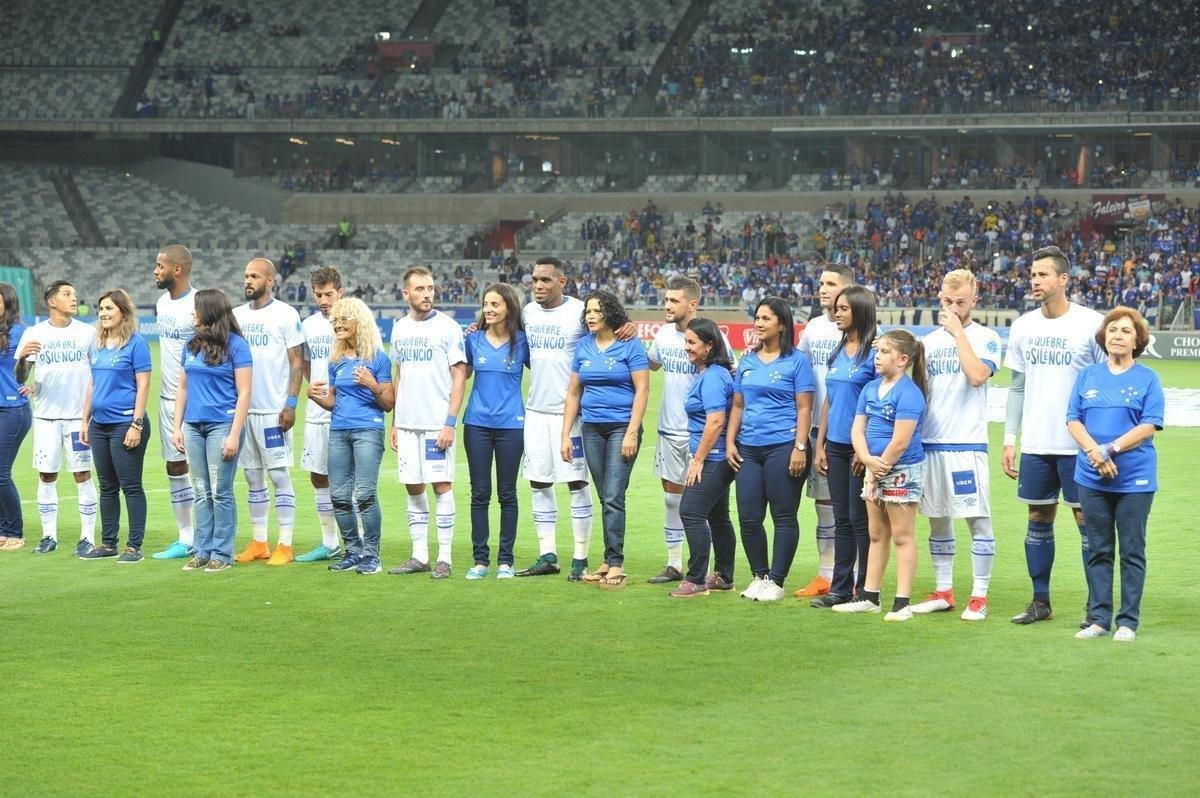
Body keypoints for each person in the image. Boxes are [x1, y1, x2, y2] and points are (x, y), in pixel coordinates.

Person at [1003, 245, 1105, 625]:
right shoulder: (1023, 325)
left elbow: (1104, 382)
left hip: (1080, 446)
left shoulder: (1091, 324)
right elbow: (1016, 387)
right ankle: (1040, 602)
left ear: (1063, 279)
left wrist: (1098, 443)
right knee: (1038, 516)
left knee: (1086, 522)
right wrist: (1010, 439)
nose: (1035, 280)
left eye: (1043, 274)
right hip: (1036, 444)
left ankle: (1096, 608)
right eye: (1032, 275)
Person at [1067, 306, 1162, 642]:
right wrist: (1095, 452)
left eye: (1125, 331)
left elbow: (1149, 425)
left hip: (1134, 479)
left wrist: (1110, 449)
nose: (1117, 336)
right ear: (1103, 337)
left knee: (1132, 550)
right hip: (1091, 476)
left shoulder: (1148, 377)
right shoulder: (1088, 375)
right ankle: (1098, 619)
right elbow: (1073, 419)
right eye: (1112, 330)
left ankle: (1128, 622)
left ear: (1137, 339)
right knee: (1098, 548)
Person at [913, 269, 1002, 620]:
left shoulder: (986, 337)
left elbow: (978, 376)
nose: (953, 307)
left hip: (967, 445)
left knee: (978, 520)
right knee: (937, 519)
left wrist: (958, 334)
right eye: (947, 302)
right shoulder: (928, 343)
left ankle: (979, 595)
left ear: (974, 301)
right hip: (931, 443)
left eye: (960, 302)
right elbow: (921, 392)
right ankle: (944, 590)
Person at [645, 276, 734, 584]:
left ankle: (706, 573)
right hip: (669, 429)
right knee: (672, 499)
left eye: (674, 300)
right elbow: (650, 365)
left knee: (703, 507)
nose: (667, 305)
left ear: (692, 303)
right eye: (666, 299)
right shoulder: (664, 335)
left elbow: (728, 374)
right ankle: (674, 563)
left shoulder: (713, 337)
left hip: (705, 436)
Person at [835, 330, 928, 621]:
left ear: (902, 360)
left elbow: (901, 440)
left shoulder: (909, 393)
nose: (878, 356)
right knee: (876, 534)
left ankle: (902, 603)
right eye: (879, 351)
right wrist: (865, 460)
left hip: (901, 470)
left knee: (902, 535)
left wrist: (879, 467)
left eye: (886, 352)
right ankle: (869, 596)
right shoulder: (870, 389)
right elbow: (857, 429)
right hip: (874, 469)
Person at [726, 297, 814, 602]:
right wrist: (729, 441)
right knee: (749, 517)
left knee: (783, 516)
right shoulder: (747, 360)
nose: (759, 323)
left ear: (782, 324)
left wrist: (800, 447)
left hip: (783, 446)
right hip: (748, 448)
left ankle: (777, 581)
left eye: (766, 318)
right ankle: (759, 576)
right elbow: (738, 405)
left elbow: (805, 408)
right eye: (757, 318)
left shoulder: (797, 361)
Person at [560, 290, 648, 587]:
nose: (591, 315)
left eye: (597, 310)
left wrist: (632, 431)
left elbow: (643, 390)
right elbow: (574, 393)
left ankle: (616, 562)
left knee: (612, 495)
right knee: (605, 497)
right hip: (591, 429)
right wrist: (565, 435)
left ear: (610, 312)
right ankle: (609, 558)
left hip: (622, 428)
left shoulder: (630, 344)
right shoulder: (584, 346)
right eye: (588, 311)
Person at [387, 267, 467, 579]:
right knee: (413, 486)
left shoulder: (448, 327)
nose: (427, 294)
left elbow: (459, 374)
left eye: (430, 288)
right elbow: (399, 373)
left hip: (437, 424)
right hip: (407, 424)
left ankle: (444, 557)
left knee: (442, 486)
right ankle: (419, 555)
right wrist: (395, 421)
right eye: (419, 289)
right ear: (406, 293)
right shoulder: (399, 328)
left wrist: (450, 422)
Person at [307, 298, 394, 575]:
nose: (338, 324)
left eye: (344, 319)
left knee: (365, 493)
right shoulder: (335, 361)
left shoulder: (378, 359)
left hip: (368, 429)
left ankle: (372, 555)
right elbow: (334, 401)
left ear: (360, 322)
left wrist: (372, 384)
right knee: (339, 495)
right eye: (335, 321)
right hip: (339, 430)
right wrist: (315, 397)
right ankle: (353, 551)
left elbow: (389, 402)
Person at [172, 289, 252, 572]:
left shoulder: (237, 346)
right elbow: (182, 388)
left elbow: (244, 393)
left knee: (220, 491)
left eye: (196, 309)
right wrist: (176, 427)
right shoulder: (191, 345)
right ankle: (202, 550)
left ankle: (222, 553)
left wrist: (234, 434)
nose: (192, 314)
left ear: (209, 312)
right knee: (201, 491)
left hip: (222, 425)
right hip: (193, 426)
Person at [16, 281, 97, 556]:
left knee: (82, 474)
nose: (74, 298)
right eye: (67, 294)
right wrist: (22, 360)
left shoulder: (88, 333)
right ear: (51, 301)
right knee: (47, 475)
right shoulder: (34, 333)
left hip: (78, 418)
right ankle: (48, 535)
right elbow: (20, 376)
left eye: (74, 293)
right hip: (46, 417)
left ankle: (87, 536)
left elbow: (97, 375)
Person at [232, 258, 304, 566]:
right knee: (251, 477)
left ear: (271, 280)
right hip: (243, 411)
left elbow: (297, 363)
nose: (248, 281)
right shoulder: (235, 316)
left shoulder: (286, 314)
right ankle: (260, 541)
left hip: (273, 411)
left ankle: (285, 544)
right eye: (246, 276)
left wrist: (291, 403)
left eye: (255, 276)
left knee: (278, 475)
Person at [811, 285, 877, 608]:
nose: (837, 313)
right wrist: (819, 444)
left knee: (859, 519)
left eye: (844, 309)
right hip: (834, 447)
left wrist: (864, 451)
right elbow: (829, 402)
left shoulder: (874, 355)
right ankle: (840, 588)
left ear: (860, 311)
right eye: (836, 308)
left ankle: (865, 589)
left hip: (857, 449)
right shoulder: (837, 353)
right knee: (841, 519)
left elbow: (878, 405)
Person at [794, 263, 854, 598]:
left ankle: (854, 576)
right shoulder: (814, 328)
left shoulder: (857, 329)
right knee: (823, 507)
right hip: (815, 429)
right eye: (821, 283)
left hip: (846, 434)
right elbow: (800, 373)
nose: (823, 289)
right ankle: (825, 574)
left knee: (850, 512)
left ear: (847, 288)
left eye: (830, 284)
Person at [78, 289, 152, 562]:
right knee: (107, 486)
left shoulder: (136, 344)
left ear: (123, 311)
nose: (103, 314)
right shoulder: (96, 344)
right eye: (100, 309)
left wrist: (136, 424)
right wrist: (85, 420)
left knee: (130, 486)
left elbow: (143, 385)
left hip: (125, 424)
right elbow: (92, 384)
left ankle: (134, 546)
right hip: (99, 425)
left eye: (109, 308)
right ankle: (108, 544)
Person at [463, 283, 528, 579]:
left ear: (509, 309)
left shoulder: (524, 342)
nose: (488, 309)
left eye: (495, 305)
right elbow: (457, 378)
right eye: (486, 304)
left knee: (507, 494)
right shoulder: (473, 340)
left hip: (511, 426)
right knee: (479, 493)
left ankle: (506, 560)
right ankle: (480, 560)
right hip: (476, 424)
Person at [670, 318, 737, 597]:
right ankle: (723, 576)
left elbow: (715, 422)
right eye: (686, 342)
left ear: (709, 346)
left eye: (692, 343)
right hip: (715, 456)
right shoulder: (712, 373)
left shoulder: (712, 377)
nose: (687, 348)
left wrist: (697, 460)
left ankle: (697, 578)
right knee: (718, 516)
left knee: (690, 511)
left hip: (714, 457)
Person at [296, 266, 353, 563]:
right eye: (318, 295)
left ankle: (358, 544)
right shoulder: (308, 326)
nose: (323, 300)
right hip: (317, 412)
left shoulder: (352, 322)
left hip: (347, 411)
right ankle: (329, 542)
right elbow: (305, 365)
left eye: (329, 294)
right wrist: (317, 390)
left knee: (349, 479)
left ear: (340, 292)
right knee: (318, 476)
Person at [150, 245, 197, 560]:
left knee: (205, 470)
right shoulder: (161, 303)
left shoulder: (199, 304)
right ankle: (185, 537)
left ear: (177, 269)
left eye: (160, 265)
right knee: (175, 466)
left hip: (198, 399)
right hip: (168, 398)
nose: (155, 271)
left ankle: (211, 536)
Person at [0, 283, 31, 551]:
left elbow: (21, 370)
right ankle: (2, 530)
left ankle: (15, 532)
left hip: (12, 408)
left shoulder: (19, 332)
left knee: (1, 472)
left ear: (7, 302)